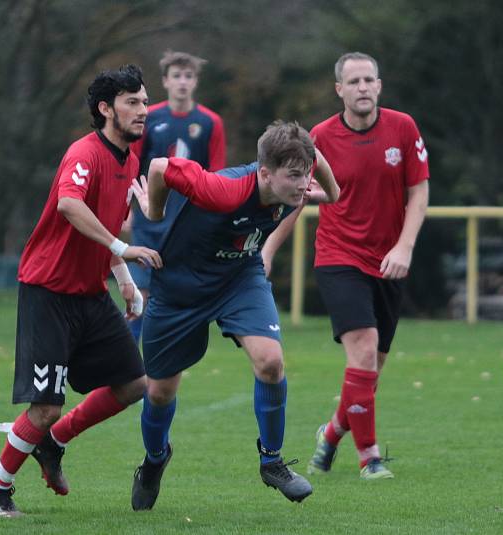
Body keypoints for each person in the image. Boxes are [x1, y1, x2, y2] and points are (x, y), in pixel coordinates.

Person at [0, 64, 163, 517]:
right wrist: (123, 248)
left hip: (89, 293)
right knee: (44, 408)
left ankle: (54, 444)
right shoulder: (85, 153)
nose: (143, 111)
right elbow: (69, 205)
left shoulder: (130, 160)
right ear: (105, 109)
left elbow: (104, 225)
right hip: (49, 292)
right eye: (132, 102)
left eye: (144, 101)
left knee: (135, 384)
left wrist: (124, 281)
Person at [128, 121, 340, 510]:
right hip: (180, 287)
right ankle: (154, 460)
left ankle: (272, 461)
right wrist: (153, 213)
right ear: (264, 173)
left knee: (271, 362)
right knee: (159, 392)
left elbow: (308, 177)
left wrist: (329, 190)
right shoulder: (222, 190)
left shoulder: (291, 187)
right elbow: (159, 167)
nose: (302, 183)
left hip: (239, 278)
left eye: (305, 174)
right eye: (294, 176)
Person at [263, 52, 430, 480]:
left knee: (370, 369)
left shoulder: (403, 127)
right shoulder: (318, 138)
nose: (362, 88)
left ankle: (333, 433)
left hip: (390, 262)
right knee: (363, 350)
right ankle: (369, 456)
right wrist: (267, 251)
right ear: (339, 89)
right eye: (353, 81)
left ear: (379, 85)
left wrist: (406, 247)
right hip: (339, 258)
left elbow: (419, 191)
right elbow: (296, 200)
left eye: (368, 80)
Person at [126, 50, 226, 344]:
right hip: (148, 218)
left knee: (177, 296)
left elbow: (217, 175)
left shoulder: (210, 122)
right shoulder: (149, 117)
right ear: (166, 82)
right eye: (177, 76)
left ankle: (163, 379)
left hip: (186, 222)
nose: (183, 82)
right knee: (140, 297)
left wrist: (215, 219)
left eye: (188, 76)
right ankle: (127, 366)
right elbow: (132, 163)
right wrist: (125, 208)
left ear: (195, 82)